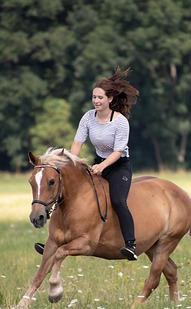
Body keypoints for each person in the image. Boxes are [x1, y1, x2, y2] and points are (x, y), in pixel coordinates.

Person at [35, 68, 140, 260]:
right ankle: (55, 239)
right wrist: (70, 164)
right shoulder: (88, 117)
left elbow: (118, 151)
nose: (96, 101)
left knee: (118, 200)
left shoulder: (121, 122)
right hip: (98, 162)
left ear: (110, 99)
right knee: (66, 192)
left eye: (100, 97)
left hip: (118, 166)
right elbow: (77, 143)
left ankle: (131, 244)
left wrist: (102, 167)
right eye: (94, 97)